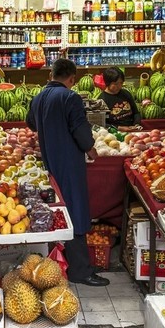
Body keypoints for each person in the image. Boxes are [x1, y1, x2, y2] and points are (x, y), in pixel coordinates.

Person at [26, 58, 109, 287]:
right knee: (76, 213)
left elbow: (31, 123)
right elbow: (81, 131)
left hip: (49, 163)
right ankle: (80, 271)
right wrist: (91, 149)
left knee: (57, 213)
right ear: (72, 78)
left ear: (51, 74)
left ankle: (57, 264)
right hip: (69, 164)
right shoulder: (70, 97)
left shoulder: (39, 97)